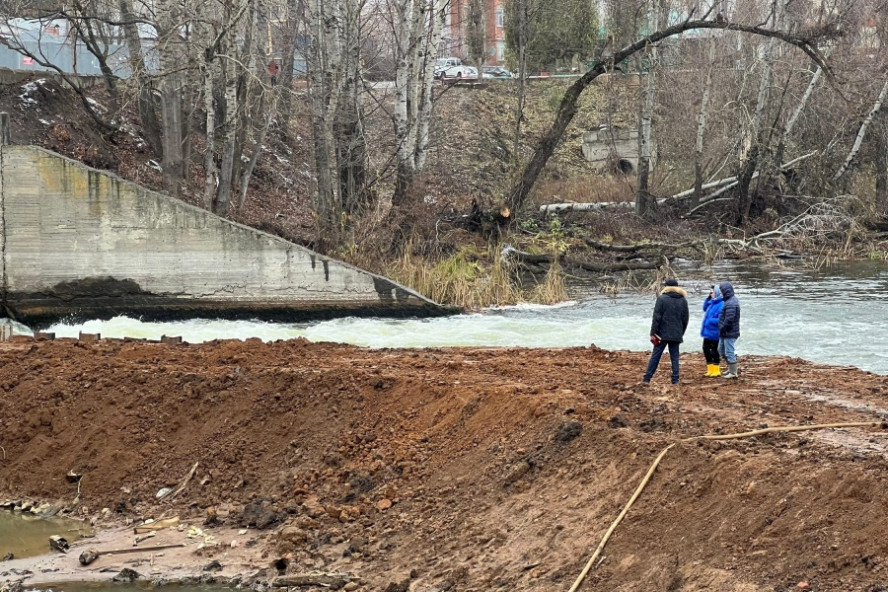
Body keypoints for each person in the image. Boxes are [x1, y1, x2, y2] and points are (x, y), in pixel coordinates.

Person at [643, 277, 689, 385]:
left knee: (656, 356)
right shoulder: (683, 300)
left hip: (661, 334)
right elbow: (685, 319)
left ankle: (647, 379)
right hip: (676, 334)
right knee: (675, 358)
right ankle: (675, 380)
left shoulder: (662, 299)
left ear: (667, 287)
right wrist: (680, 332)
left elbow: (656, 318)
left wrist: (652, 333)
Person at [718, 281, 741, 379]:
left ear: (725, 291)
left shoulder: (731, 303)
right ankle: (730, 369)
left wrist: (722, 328)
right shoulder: (729, 301)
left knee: (729, 352)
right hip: (725, 332)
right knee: (721, 350)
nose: (720, 293)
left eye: (721, 291)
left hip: (730, 333)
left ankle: (733, 372)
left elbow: (729, 320)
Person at [701, 284, 724, 377]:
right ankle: (710, 369)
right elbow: (704, 308)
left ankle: (716, 369)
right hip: (708, 331)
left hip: (715, 332)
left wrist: (710, 321)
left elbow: (721, 320)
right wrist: (708, 298)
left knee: (714, 350)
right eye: (710, 292)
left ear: (717, 293)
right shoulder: (712, 302)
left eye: (712, 292)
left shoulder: (721, 304)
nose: (711, 294)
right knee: (705, 349)